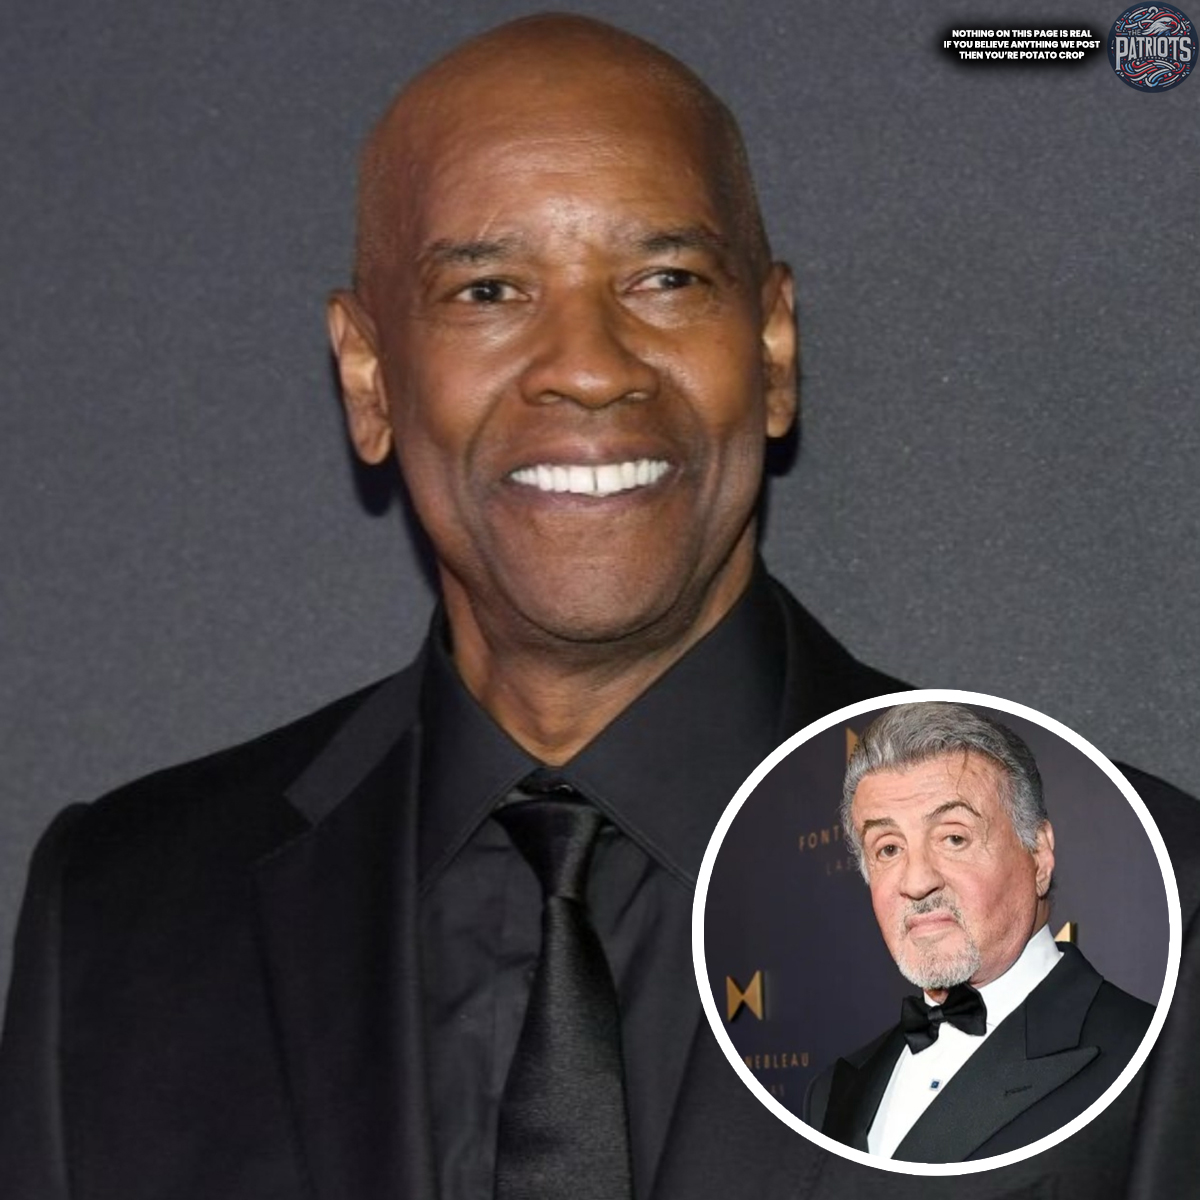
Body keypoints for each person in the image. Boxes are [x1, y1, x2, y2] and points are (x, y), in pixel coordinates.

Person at [0, 13, 1197, 1200]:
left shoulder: (1159, 912)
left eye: (665, 280)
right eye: (487, 290)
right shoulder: (120, 916)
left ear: (773, 348)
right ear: (369, 378)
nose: (588, 365)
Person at [805, 702, 1155, 1162]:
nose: (916, 882)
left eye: (954, 838)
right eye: (888, 849)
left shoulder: (1154, 1060)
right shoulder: (831, 1092)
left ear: (1039, 856)